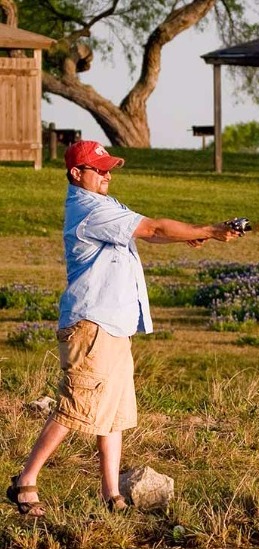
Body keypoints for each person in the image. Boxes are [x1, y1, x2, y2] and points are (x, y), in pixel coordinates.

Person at [6, 140, 243, 516]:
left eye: (108, 168)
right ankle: (25, 481)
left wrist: (195, 233)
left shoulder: (106, 205)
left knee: (112, 411)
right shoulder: (87, 210)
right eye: (98, 169)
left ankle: (111, 493)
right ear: (76, 174)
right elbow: (151, 228)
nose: (107, 174)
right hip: (92, 325)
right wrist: (209, 229)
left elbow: (151, 232)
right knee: (75, 406)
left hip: (114, 324)